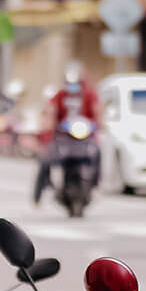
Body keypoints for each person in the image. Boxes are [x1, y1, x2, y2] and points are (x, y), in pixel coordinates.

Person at [32, 61, 100, 205]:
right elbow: (50, 113)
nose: (73, 88)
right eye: (70, 83)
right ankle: (38, 195)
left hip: (84, 137)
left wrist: (98, 124)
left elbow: (97, 113)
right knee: (46, 160)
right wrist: (47, 131)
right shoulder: (59, 96)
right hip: (63, 137)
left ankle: (95, 184)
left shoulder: (89, 95)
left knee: (98, 153)